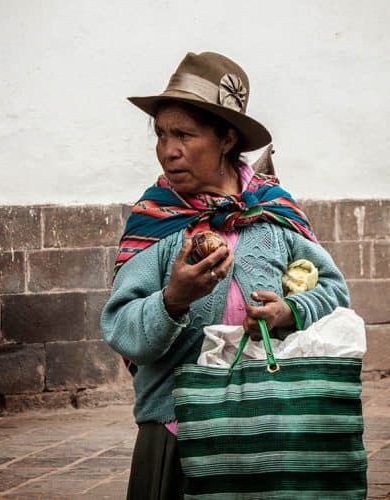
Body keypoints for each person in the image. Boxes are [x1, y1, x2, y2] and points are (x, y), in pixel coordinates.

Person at [100, 51, 349, 500]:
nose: (168, 149)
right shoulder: (156, 221)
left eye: (184, 134)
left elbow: (334, 292)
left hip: (273, 428)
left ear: (227, 138)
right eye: (161, 134)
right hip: (177, 432)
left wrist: (288, 310)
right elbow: (121, 328)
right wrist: (172, 299)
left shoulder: (274, 213)